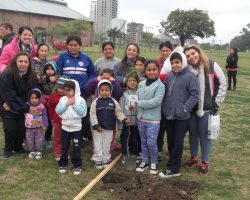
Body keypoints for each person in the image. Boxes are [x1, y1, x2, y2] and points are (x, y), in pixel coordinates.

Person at [183, 44, 226, 175]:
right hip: (191, 109)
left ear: (198, 52)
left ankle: (205, 161)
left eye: (193, 53)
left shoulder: (211, 65)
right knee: (193, 134)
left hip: (207, 108)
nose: (191, 57)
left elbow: (222, 83)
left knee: (205, 136)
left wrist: (216, 102)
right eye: (188, 55)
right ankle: (194, 157)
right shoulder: (186, 69)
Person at [159, 52, 199, 178]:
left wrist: (185, 108)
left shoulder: (190, 77)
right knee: (170, 140)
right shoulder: (170, 76)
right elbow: (164, 91)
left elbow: (195, 94)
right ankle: (174, 161)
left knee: (177, 141)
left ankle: (174, 169)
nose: (174, 65)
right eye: (172, 63)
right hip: (168, 115)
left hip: (181, 116)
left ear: (183, 62)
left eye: (177, 62)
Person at [56, 35, 96, 142]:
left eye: (75, 45)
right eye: (71, 45)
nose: (73, 47)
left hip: (83, 92)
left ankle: (81, 136)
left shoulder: (86, 58)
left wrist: (87, 86)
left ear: (80, 46)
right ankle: (67, 135)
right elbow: (58, 74)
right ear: (67, 46)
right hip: (67, 93)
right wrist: (61, 87)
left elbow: (92, 74)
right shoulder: (62, 57)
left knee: (83, 113)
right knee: (68, 112)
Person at [0, 51, 37, 159]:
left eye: (26, 61)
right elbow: (8, 95)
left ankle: (18, 147)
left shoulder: (31, 75)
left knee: (21, 128)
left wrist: (30, 105)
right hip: (7, 104)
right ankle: (8, 149)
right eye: (20, 61)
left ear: (29, 63)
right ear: (15, 62)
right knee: (11, 129)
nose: (23, 64)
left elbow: (32, 92)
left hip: (22, 105)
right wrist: (26, 108)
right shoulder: (7, 74)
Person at [133, 60, 165, 175]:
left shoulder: (160, 86)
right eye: (149, 70)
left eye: (154, 69)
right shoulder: (141, 83)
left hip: (153, 119)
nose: (151, 72)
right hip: (140, 118)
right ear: (145, 71)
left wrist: (139, 103)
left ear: (158, 70)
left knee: (151, 142)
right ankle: (145, 160)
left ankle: (154, 162)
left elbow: (156, 102)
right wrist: (133, 104)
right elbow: (136, 97)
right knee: (143, 141)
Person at [90, 80, 129, 169]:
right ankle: (98, 159)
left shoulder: (114, 102)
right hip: (97, 128)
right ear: (99, 91)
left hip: (109, 128)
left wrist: (124, 119)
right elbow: (92, 114)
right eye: (102, 90)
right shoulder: (95, 102)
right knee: (97, 143)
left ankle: (105, 159)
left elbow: (119, 112)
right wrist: (96, 125)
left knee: (107, 144)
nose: (104, 92)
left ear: (110, 90)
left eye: (106, 90)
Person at [56, 80, 87, 175]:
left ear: (75, 89)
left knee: (76, 147)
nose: (67, 92)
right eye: (65, 90)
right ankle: (63, 163)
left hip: (76, 128)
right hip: (65, 128)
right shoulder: (63, 100)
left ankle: (77, 165)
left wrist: (74, 104)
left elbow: (82, 113)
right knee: (64, 146)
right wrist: (66, 104)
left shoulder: (81, 100)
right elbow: (58, 111)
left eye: (69, 90)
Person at [119, 73, 140, 163]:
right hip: (126, 122)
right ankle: (124, 154)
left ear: (137, 82)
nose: (132, 82)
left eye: (134, 81)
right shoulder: (123, 95)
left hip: (136, 122)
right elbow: (120, 109)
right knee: (125, 138)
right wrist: (123, 121)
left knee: (135, 138)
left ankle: (134, 154)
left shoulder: (139, 93)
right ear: (127, 82)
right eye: (130, 80)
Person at [25, 88, 48, 160]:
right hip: (29, 127)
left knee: (39, 139)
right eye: (32, 98)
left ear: (40, 98)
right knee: (29, 139)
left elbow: (44, 115)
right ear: (29, 98)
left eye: (36, 98)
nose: (34, 100)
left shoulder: (41, 106)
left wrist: (45, 124)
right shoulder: (26, 106)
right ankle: (32, 151)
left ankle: (38, 151)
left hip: (39, 127)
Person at [47, 77, 66, 161]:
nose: (61, 90)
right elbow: (50, 108)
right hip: (57, 121)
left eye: (64, 88)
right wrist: (51, 118)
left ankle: (65, 151)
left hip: (67, 121)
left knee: (66, 138)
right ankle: (58, 152)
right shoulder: (53, 97)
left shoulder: (69, 98)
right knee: (57, 137)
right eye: (60, 88)